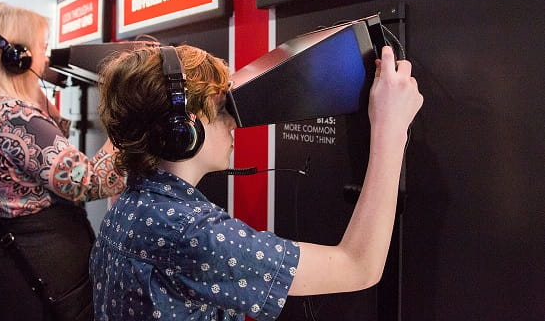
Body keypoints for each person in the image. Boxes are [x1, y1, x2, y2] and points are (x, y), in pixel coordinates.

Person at [91, 43, 423, 320]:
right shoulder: (189, 233)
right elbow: (358, 266)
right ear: (183, 131)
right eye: (222, 109)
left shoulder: (127, 207)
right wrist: (390, 130)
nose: (235, 124)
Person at [0, 2, 125, 321]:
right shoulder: (15, 117)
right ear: (17, 57)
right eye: (42, 46)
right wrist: (127, 123)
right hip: (42, 267)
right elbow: (91, 182)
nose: (45, 57)